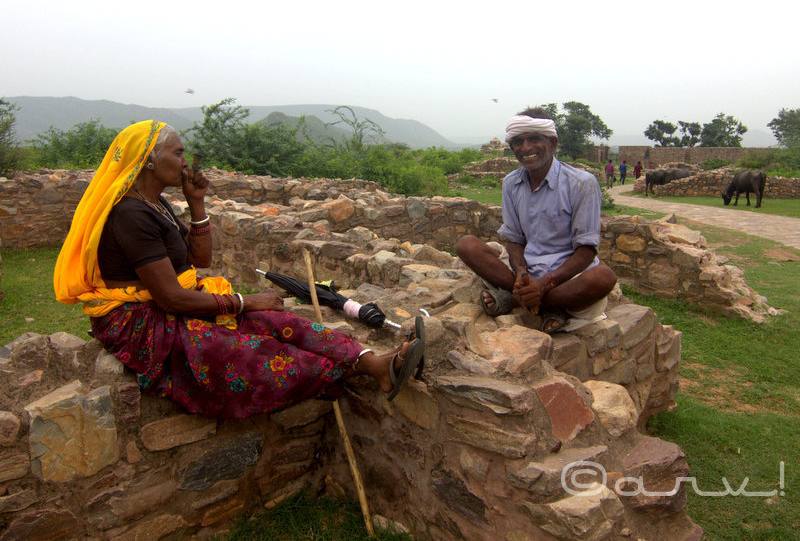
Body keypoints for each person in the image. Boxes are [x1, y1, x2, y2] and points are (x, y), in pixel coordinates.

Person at [53, 120, 424, 419]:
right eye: (178, 152)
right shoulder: (130, 214)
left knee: (285, 324)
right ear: (149, 159)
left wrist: (196, 203)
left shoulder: (156, 204)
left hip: (175, 303)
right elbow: (169, 298)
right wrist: (245, 301)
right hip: (143, 321)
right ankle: (370, 371)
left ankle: (373, 363)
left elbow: (198, 261)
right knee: (250, 356)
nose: (185, 162)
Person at [455, 108, 617, 333]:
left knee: (604, 278)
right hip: (528, 269)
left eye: (534, 139)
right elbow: (515, 240)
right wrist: (521, 271)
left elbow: (587, 251)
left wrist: (545, 284)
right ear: (512, 148)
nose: (526, 148)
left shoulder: (581, 183)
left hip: (566, 276)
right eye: (518, 142)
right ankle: (546, 304)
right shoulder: (511, 183)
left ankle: (514, 300)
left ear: (552, 143)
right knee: (466, 245)